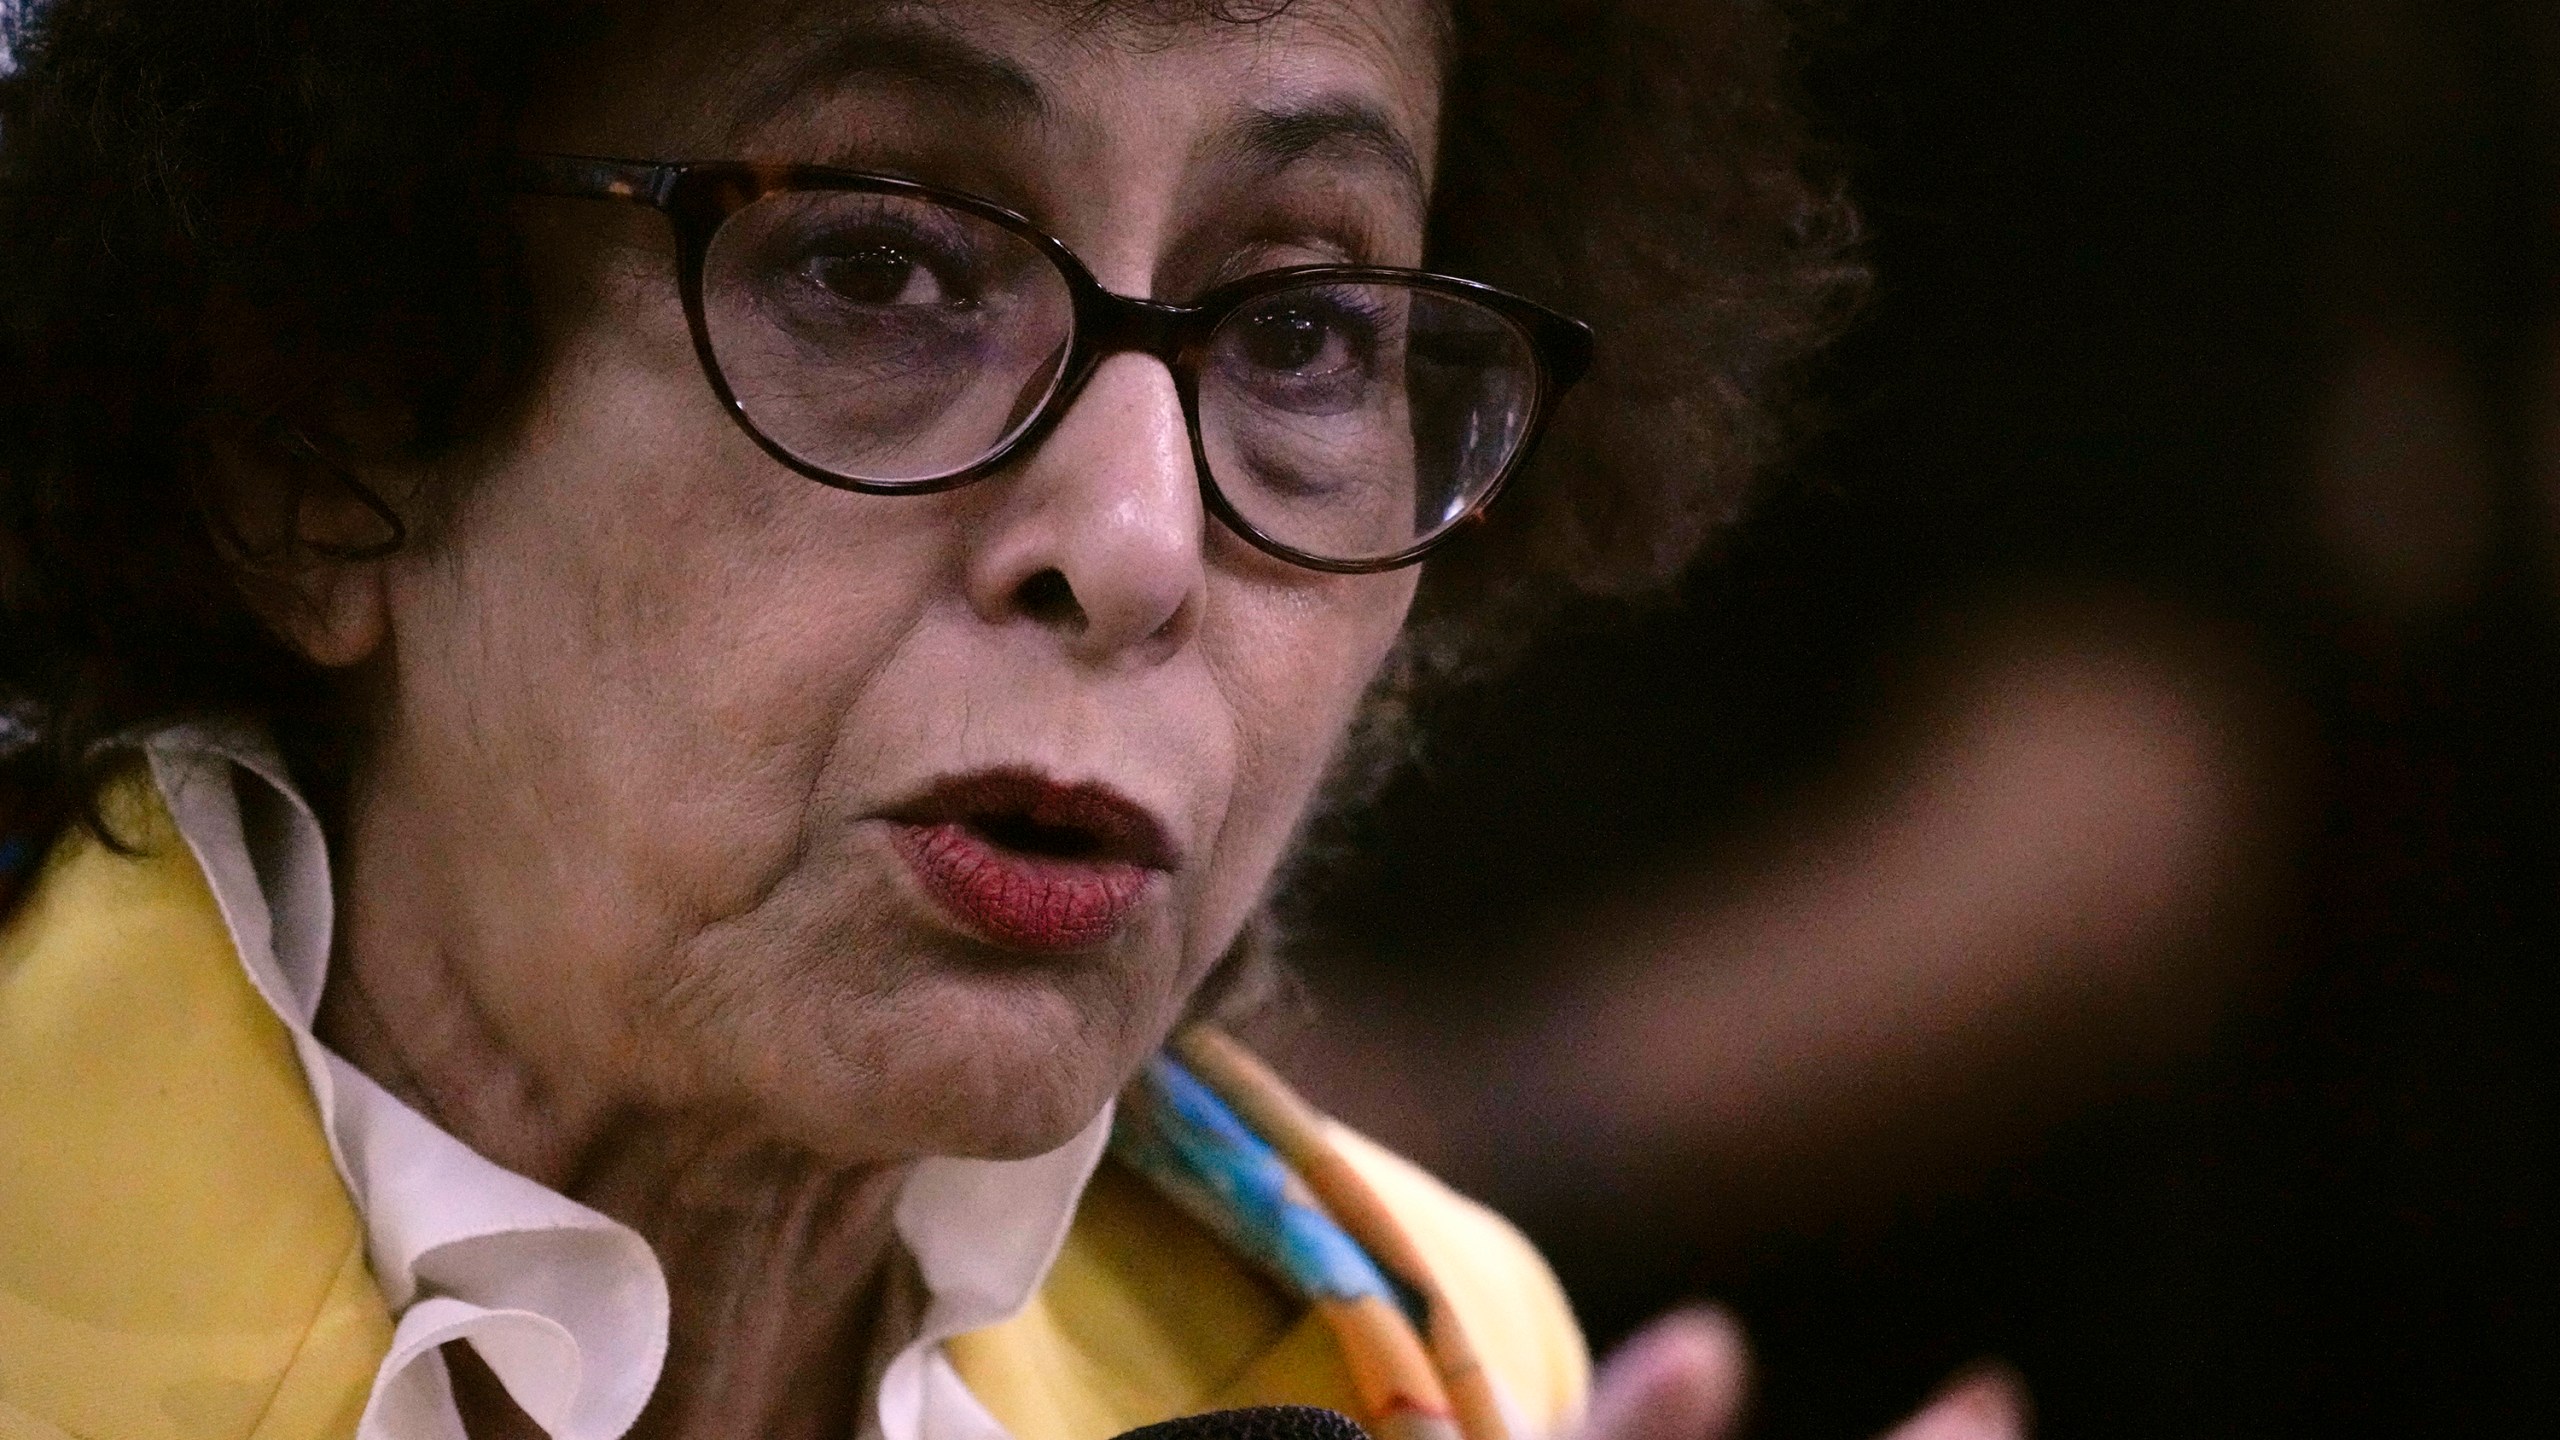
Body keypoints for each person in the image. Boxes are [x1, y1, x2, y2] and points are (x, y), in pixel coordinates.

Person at [0, 0, 1990, 1436]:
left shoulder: (1417, 1367)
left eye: (1299, 331)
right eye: (878, 266)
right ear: (317, 424)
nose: (1134, 539)